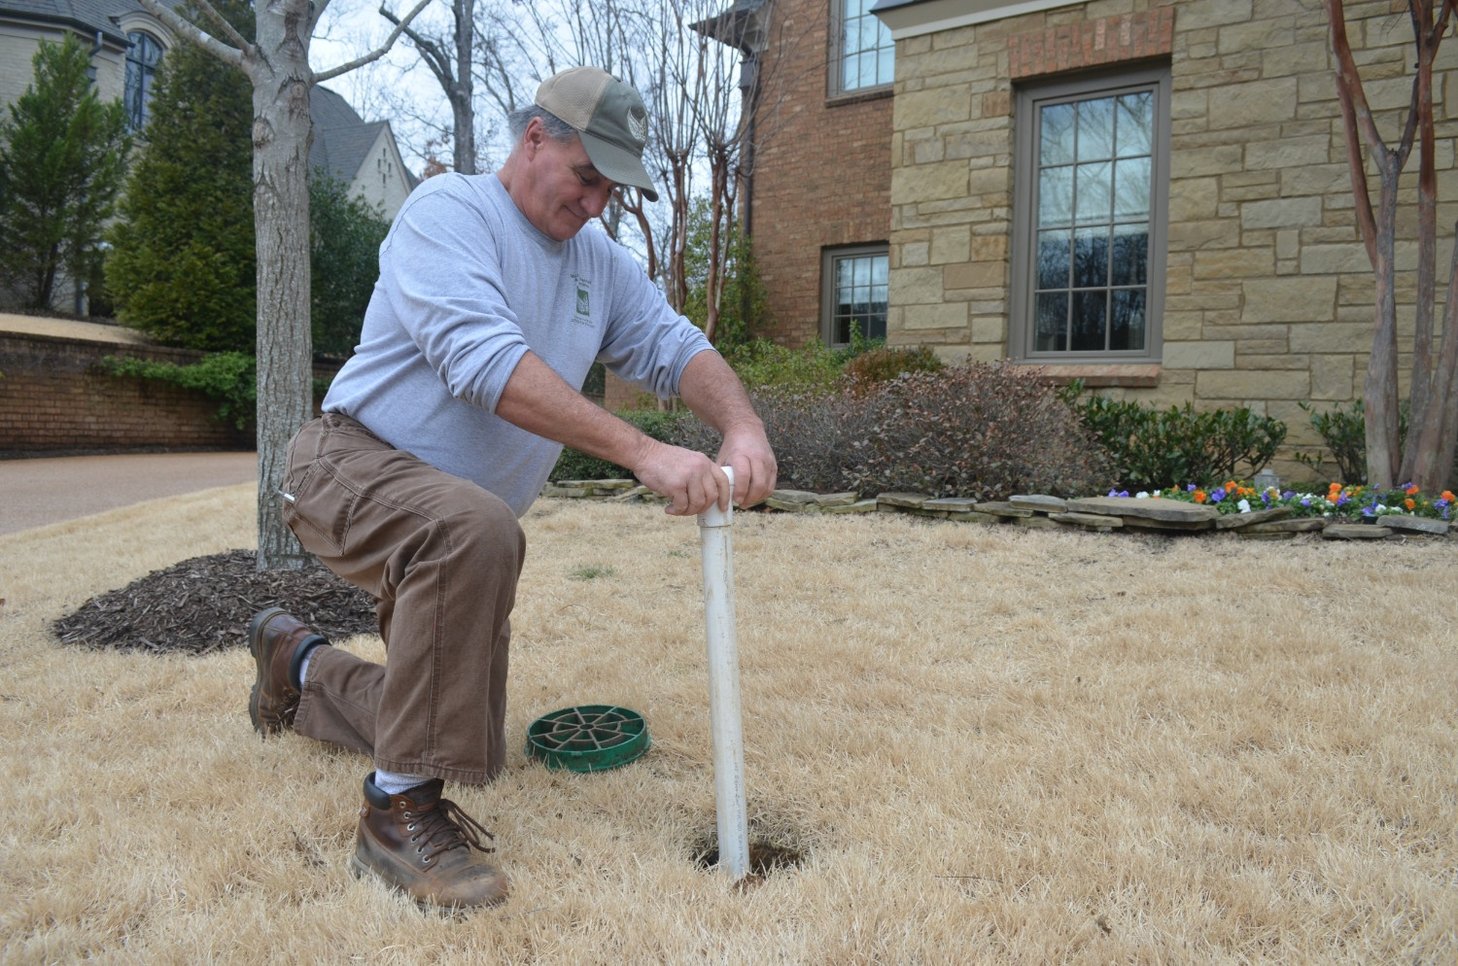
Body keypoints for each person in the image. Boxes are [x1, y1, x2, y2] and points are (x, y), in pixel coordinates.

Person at [247, 66, 777, 911]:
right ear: (535, 138)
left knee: (463, 745)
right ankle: (393, 819)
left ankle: (297, 662)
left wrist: (742, 427)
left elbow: (678, 350)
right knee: (474, 531)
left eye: (611, 188)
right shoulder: (449, 213)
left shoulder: (598, 265)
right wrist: (641, 452)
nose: (598, 202)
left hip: (451, 518)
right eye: (586, 177)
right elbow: (483, 364)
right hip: (344, 462)